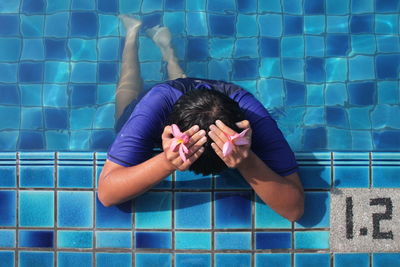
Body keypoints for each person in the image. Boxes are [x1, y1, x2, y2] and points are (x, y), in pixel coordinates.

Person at [98, 15, 304, 222]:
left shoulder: (251, 116)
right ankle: (133, 34)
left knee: (183, 85)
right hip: (168, 97)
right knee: (124, 111)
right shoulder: (155, 105)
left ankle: (168, 51)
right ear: (167, 127)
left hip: (218, 98)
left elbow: (294, 209)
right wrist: (167, 161)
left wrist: (247, 161)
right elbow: (107, 194)